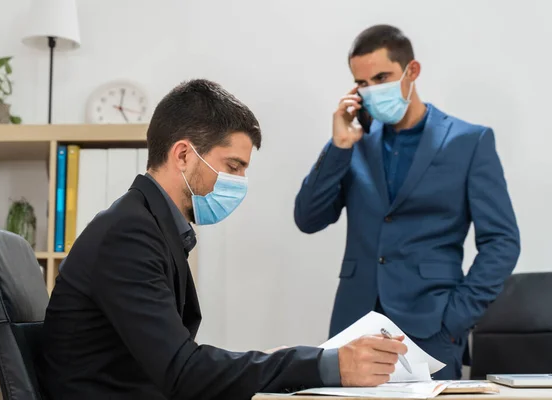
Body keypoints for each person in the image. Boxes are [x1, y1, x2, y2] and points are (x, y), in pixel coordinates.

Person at [36, 79, 407, 400]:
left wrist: (279, 360)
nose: (240, 182)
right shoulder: (128, 234)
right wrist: (326, 364)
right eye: (233, 167)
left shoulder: (147, 225)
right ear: (183, 154)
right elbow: (183, 372)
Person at [294, 25, 520, 380]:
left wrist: (455, 320)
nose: (372, 91)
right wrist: (338, 146)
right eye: (362, 83)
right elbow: (308, 218)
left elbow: (503, 242)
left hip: (433, 326)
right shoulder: (355, 142)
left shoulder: (469, 141)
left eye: (382, 77)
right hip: (355, 324)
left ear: (411, 71)